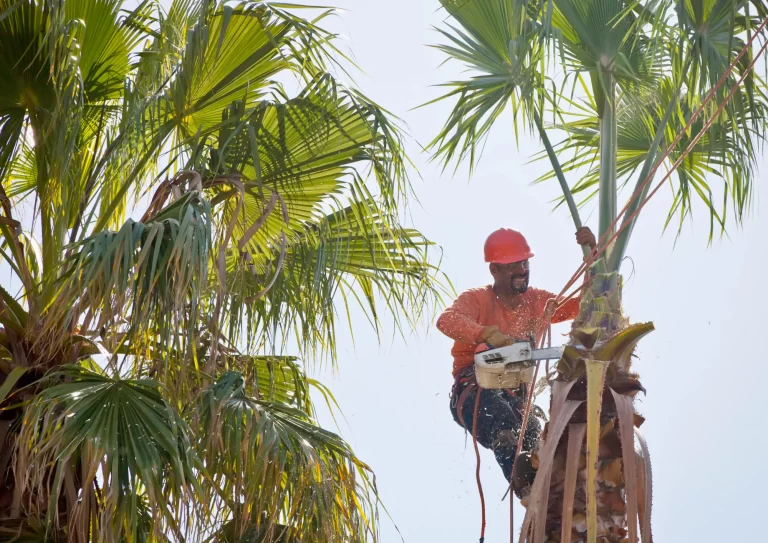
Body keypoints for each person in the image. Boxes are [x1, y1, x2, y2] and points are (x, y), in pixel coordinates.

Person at [436, 226, 596, 491]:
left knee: (540, 435)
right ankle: (529, 489)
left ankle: (554, 498)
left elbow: (584, 304)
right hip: (475, 390)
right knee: (503, 423)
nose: (522, 270)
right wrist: (485, 333)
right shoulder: (477, 299)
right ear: (494, 270)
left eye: (524, 263)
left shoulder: (537, 302)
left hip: (516, 398)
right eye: (513, 266)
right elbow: (446, 321)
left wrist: (593, 254)